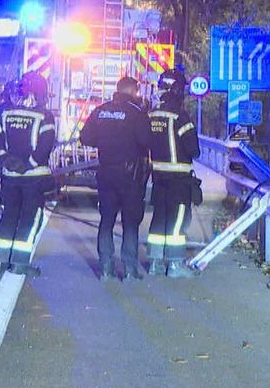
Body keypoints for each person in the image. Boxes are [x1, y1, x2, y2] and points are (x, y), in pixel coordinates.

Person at [80, 76, 152, 281]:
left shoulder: (101, 110)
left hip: (106, 172)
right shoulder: (136, 113)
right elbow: (146, 141)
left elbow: (86, 138)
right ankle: (129, 269)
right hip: (130, 175)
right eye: (137, 91)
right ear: (132, 91)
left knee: (107, 219)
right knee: (130, 222)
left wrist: (106, 142)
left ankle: (105, 267)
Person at [0, 72, 56, 276]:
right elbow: (45, 146)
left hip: (10, 177)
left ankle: (0, 260)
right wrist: (28, 164)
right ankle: (20, 263)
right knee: (30, 218)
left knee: (8, 215)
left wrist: (5, 160)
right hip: (33, 178)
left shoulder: (3, 113)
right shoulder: (44, 116)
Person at [146, 69, 201, 278]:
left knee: (159, 219)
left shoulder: (152, 115)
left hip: (158, 178)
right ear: (178, 90)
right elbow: (194, 149)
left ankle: (154, 263)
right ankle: (175, 265)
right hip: (179, 181)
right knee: (178, 221)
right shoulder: (180, 116)